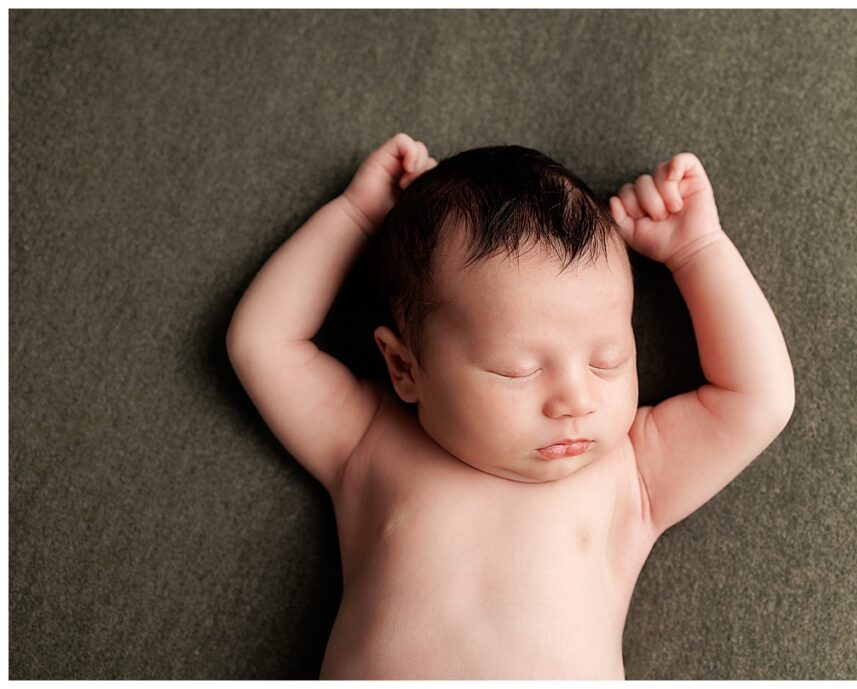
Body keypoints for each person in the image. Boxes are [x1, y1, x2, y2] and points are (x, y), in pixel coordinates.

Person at [226, 132, 795, 679]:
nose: (575, 399)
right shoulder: (370, 442)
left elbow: (757, 400)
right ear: (405, 369)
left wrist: (698, 250)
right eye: (517, 370)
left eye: (608, 360)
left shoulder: (631, 471)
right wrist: (356, 218)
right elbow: (263, 344)